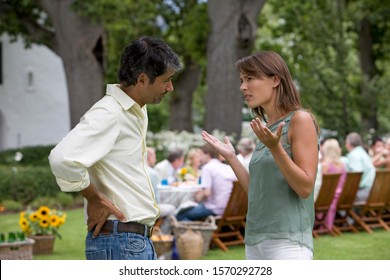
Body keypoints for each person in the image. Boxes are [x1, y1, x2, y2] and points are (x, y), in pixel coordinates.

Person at [48, 36, 182, 260]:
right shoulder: (109, 113)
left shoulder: (135, 110)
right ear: (141, 80)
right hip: (121, 242)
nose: (170, 87)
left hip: (129, 242)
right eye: (166, 80)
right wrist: (94, 198)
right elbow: (62, 159)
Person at [202, 51, 319, 260]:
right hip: (255, 241)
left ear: (275, 79)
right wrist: (231, 157)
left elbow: (305, 188)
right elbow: (256, 190)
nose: (243, 87)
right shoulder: (266, 130)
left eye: (250, 78)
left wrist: (276, 148)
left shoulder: (300, 120)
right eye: (241, 80)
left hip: (288, 242)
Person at [176, 143, 237, 221]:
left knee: (180, 214)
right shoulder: (227, 168)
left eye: (201, 154)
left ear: (207, 154)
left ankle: (195, 233)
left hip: (215, 210)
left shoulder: (207, 168)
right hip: (230, 209)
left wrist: (197, 197)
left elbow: (206, 193)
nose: (200, 158)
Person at [320, 138, 347, 229]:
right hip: (341, 195)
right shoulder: (342, 165)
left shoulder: (325, 166)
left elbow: (320, 184)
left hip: (327, 198)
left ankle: (317, 224)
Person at [344, 132, 376, 203]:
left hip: (363, 193)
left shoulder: (354, 155)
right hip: (373, 192)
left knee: (337, 198)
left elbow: (356, 175)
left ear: (348, 144)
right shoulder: (363, 153)